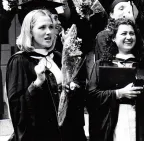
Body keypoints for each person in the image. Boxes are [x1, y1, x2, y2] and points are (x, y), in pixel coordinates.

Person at [6, 8, 86, 141]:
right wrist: (37, 83)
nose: (48, 32)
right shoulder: (20, 61)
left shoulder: (58, 57)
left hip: (65, 132)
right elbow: (16, 107)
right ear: (30, 31)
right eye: (42, 27)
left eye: (51, 27)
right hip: (40, 133)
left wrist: (72, 87)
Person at [86, 18, 144, 141]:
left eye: (132, 33)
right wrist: (119, 93)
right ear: (113, 38)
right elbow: (92, 95)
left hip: (138, 122)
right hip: (111, 122)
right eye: (123, 33)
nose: (129, 37)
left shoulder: (142, 64)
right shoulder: (102, 64)